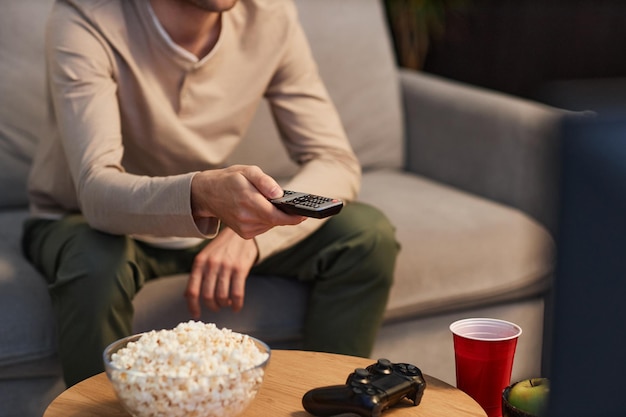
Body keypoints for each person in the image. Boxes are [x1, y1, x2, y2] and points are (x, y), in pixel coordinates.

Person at [22, 0, 399, 387]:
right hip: (89, 222)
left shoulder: (270, 14)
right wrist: (202, 195)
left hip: (211, 219)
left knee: (365, 235)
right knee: (95, 265)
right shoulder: (85, 17)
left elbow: (334, 158)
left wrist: (250, 237)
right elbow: (97, 192)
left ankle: (331, 402)